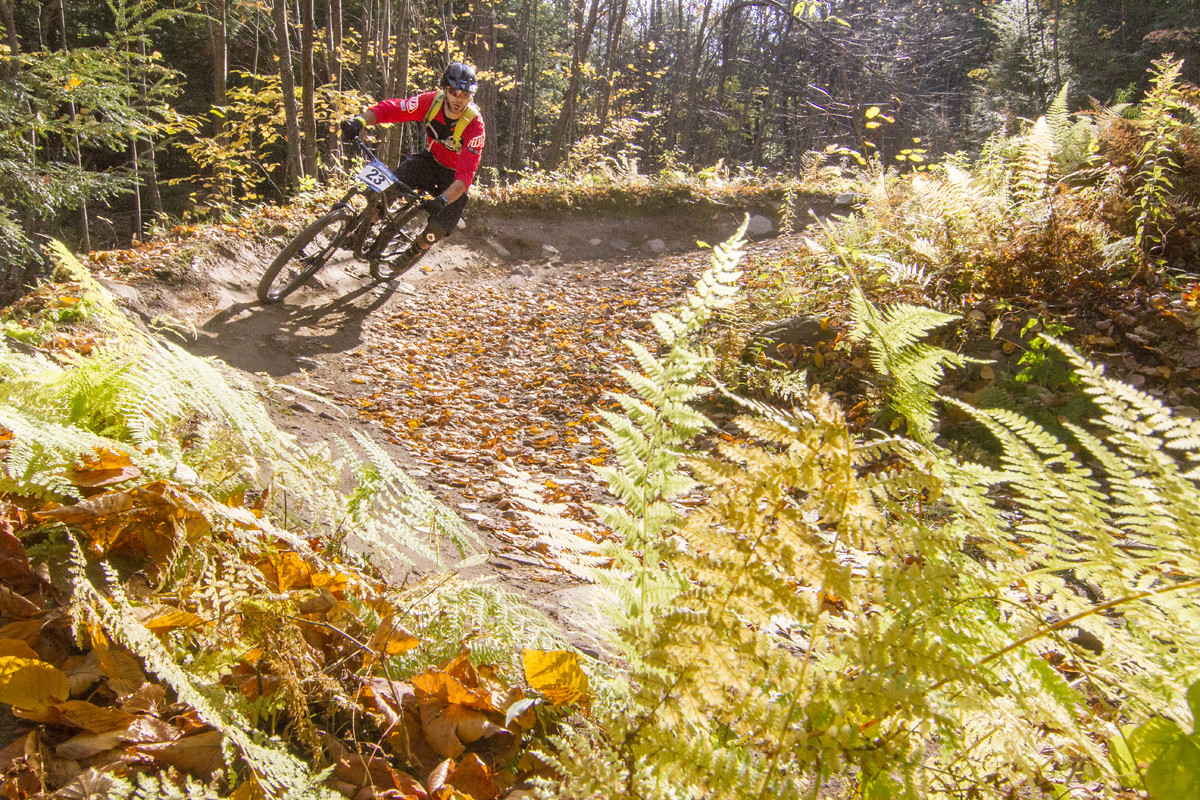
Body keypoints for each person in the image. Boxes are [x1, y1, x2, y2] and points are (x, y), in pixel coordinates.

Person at [339, 62, 485, 265]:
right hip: (429, 161)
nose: (459, 99)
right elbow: (392, 109)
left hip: (453, 179)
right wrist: (359, 121)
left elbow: (465, 176)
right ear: (445, 89)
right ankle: (363, 230)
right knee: (385, 191)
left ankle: (412, 253)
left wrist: (443, 200)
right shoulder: (431, 102)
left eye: (465, 94)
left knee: (439, 228)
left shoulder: (475, 125)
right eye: (454, 92)